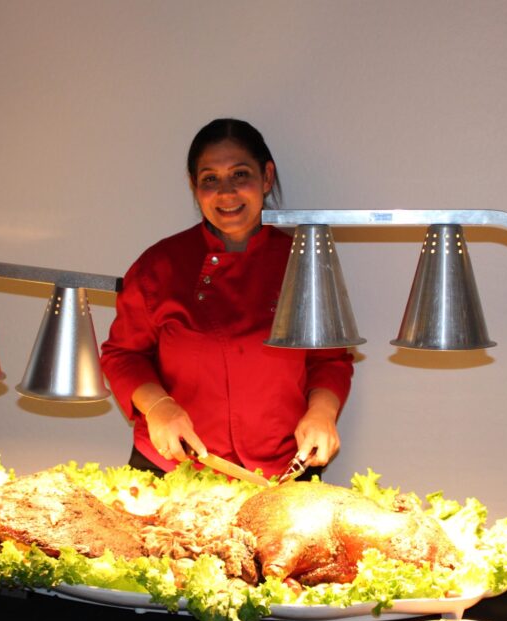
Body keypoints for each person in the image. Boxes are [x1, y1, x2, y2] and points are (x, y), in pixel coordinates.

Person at [100, 118, 354, 479]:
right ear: (194, 186)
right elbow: (123, 355)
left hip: (282, 467)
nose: (226, 192)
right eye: (210, 179)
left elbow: (330, 359)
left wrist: (322, 413)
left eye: (240, 174)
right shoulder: (160, 264)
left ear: (266, 177)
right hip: (173, 464)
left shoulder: (303, 261)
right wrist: (158, 407)